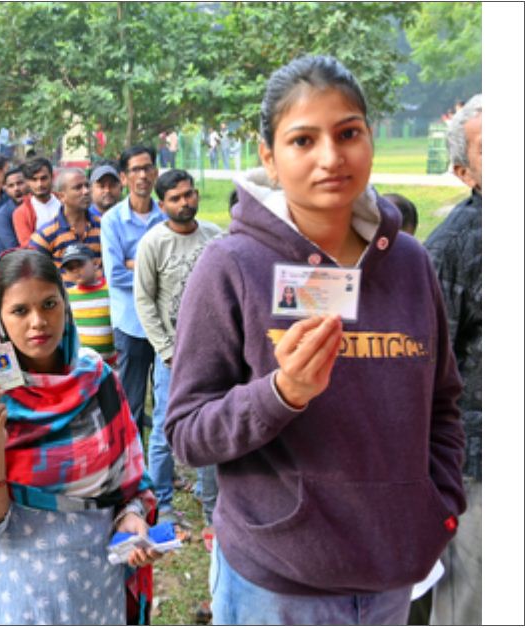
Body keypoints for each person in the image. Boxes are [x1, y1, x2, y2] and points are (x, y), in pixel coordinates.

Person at [164, 55, 466, 625]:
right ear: (269, 157)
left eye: (348, 133)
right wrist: (281, 393)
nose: (331, 158)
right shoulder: (232, 266)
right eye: (303, 140)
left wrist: (438, 503)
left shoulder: (409, 265)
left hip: (390, 574)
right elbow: (186, 434)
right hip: (275, 584)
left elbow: (443, 406)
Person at [0, 248, 160, 625]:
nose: (38, 322)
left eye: (49, 304)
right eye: (20, 311)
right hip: (21, 595)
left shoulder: (98, 381)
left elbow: (132, 482)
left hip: (98, 585)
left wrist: (130, 517)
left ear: (66, 304)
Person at [133, 169, 223, 528]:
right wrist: (166, 349)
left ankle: (209, 497)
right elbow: (144, 301)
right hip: (173, 354)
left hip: (215, 353)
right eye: (175, 198)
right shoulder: (154, 243)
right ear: (162, 205)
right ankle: (162, 504)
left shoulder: (216, 237)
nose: (185, 202)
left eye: (189, 194)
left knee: (212, 426)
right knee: (165, 430)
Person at [425, 93, 482, 627]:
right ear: (465, 172)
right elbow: (427, 373)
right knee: (472, 601)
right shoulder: (454, 246)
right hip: (479, 465)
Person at [100, 145, 166, 435]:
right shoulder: (112, 220)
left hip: (165, 323)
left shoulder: (166, 217)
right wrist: (155, 272)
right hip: (131, 324)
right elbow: (114, 275)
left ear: (156, 172)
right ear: (124, 178)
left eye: (147, 168)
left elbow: (177, 270)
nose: (143, 175)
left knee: (167, 401)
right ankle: (134, 473)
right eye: (135, 170)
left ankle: (166, 471)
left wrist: (136, 265)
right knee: (133, 402)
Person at [29, 168, 103, 272]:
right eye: (78, 187)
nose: (86, 191)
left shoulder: (103, 226)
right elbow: (37, 275)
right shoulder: (44, 236)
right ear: (61, 196)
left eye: (87, 186)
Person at [61, 243, 117, 367]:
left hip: (112, 362)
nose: (76, 271)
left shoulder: (110, 290)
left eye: (80, 265)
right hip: (84, 364)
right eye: (70, 268)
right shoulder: (68, 296)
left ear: (96, 262)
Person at [12, 156, 61, 247]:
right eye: (34, 179)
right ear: (27, 182)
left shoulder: (65, 202)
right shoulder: (21, 213)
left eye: (44, 178)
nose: (40, 184)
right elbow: (28, 245)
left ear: (52, 177)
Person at [0, 166, 27, 252]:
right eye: (11, 186)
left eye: (20, 183)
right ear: (5, 189)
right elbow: (12, 247)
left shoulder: (36, 206)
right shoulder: (3, 215)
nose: (16, 188)